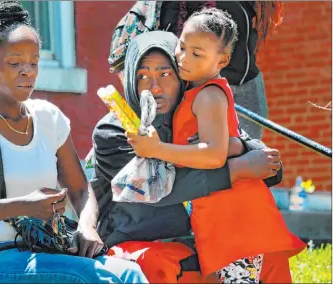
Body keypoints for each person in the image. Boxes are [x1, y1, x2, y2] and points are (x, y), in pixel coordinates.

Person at [0, 1, 148, 283]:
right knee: (88, 278)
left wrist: (86, 226)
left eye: (34, 62)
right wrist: (24, 205)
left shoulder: (49, 118)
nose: (28, 71)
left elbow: (80, 189)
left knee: (131, 272)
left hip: (47, 249)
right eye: (14, 63)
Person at [91, 30, 286, 283]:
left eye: (165, 74)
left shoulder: (193, 112)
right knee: (160, 264)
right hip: (137, 239)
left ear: (182, 76)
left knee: (270, 254)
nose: (155, 88)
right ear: (130, 79)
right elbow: (155, 189)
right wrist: (235, 169)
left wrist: (237, 146)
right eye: (142, 76)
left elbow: (271, 168)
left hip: (203, 236)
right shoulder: (114, 131)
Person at [127, 9, 305, 283]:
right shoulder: (195, 93)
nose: (184, 58)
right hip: (218, 217)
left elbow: (212, 155)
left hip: (236, 220)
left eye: (197, 54)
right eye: (182, 46)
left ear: (221, 59)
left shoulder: (209, 95)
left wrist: (156, 149)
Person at [108, 1, 283, 139]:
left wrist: (243, 149)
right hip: (176, 98)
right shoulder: (155, 8)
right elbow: (122, 55)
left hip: (238, 93)